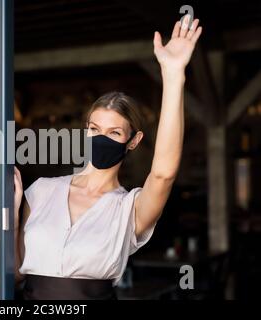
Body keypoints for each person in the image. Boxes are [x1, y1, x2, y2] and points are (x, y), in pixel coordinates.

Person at [14, 16, 203, 300]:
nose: (101, 138)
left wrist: (173, 74)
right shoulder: (41, 190)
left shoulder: (130, 209)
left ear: (133, 141)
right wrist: (9, 215)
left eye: (114, 132)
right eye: (94, 129)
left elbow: (163, 173)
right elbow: (15, 271)